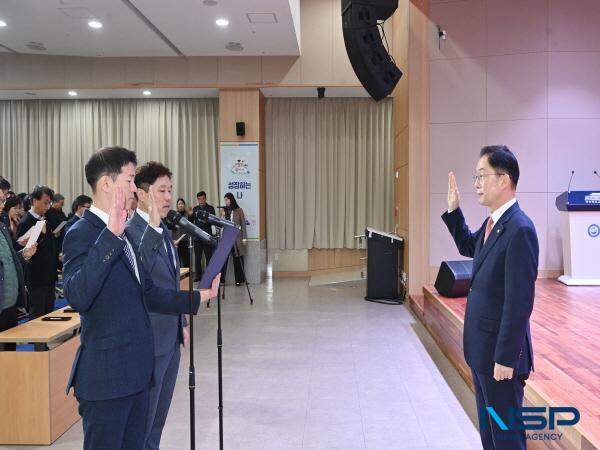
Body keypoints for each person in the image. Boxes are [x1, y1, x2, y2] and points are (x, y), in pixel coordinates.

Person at [62, 146, 220, 450]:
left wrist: (198, 297)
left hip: (137, 374)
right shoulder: (82, 232)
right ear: (107, 184)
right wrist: (111, 235)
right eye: (131, 179)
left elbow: (146, 292)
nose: (135, 188)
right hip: (107, 380)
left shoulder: (125, 233)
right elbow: (79, 294)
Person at [442, 145, 538, 450]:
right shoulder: (493, 223)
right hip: (482, 352)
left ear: (504, 180)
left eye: (482, 176)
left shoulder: (520, 229)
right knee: (490, 436)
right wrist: (455, 212)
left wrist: (506, 358)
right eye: (475, 177)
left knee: (507, 440)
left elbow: (519, 302)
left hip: (501, 360)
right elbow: (470, 247)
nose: (476, 183)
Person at [126, 162, 188, 450]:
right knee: (143, 423)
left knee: (158, 421)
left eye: (170, 190)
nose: (167, 197)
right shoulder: (131, 232)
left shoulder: (162, 229)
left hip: (170, 340)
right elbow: (140, 278)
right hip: (148, 344)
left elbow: (171, 282)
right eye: (161, 190)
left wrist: (182, 323)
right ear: (141, 194)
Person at [17, 185, 59, 318]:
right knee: (37, 316)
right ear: (35, 201)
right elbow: (21, 253)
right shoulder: (25, 222)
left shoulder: (44, 219)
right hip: (36, 277)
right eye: (45, 202)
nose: (48, 206)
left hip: (49, 276)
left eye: (50, 203)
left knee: (48, 315)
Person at [220, 192, 247, 286]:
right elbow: (221, 224)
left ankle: (239, 280)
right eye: (225, 200)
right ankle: (221, 280)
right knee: (223, 259)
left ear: (231, 199)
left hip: (237, 238)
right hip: (227, 238)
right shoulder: (224, 210)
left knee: (238, 259)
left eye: (227, 199)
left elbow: (243, 224)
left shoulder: (239, 210)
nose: (226, 202)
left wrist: (244, 237)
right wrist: (223, 215)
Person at [192, 191, 215, 281]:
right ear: (197, 199)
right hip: (197, 237)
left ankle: (209, 275)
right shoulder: (195, 209)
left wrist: (207, 221)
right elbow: (191, 220)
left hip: (207, 236)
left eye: (202, 199)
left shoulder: (210, 208)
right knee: (198, 258)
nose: (201, 201)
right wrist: (190, 214)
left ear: (205, 199)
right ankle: (198, 275)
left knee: (208, 257)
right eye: (199, 199)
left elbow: (213, 220)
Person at [172, 198, 191, 269]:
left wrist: (191, 214)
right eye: (179, 204)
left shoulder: (187, 214)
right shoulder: (174, 214)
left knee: (186, 260)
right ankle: (178, 277)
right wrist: (174, 226)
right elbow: (169, 225)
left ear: (184, 205)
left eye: (182, 204)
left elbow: (191, 225)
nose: (180, 205)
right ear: (177, 206)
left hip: (185, 240)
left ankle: (187, 277)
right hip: (176, 241)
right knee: (177, 260)